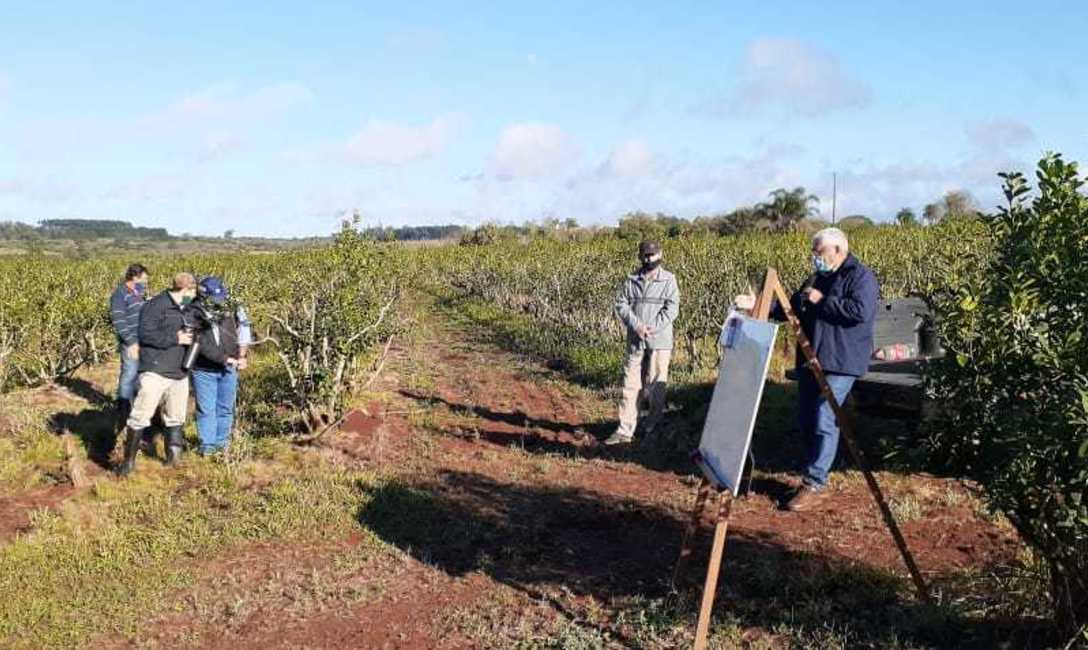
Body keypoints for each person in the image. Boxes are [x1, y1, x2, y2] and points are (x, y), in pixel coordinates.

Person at [736, 227, 878, 511]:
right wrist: (758, 305)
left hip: (840, 361)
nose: (815, 256)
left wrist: (822, 301)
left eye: (819, 251)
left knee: (825, 416)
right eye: (813, 251)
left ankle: (815, 483)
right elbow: (792, 308)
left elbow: (860, 312)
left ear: (838, 250)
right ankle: (817, 465)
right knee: (807, 418)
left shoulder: (861, 276)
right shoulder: (817, 277)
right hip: (811, 359)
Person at [119, 272, 198, 476]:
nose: (194, 295)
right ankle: (128, 464)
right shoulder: (155, 305)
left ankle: (174, 460)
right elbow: (145, 334)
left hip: (179, 371)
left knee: (176, 417)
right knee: (140, 416)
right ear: (184, 289)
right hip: (155, 371)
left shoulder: (188, 307)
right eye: (193, 291)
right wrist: (175, 338)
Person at [604, 240, 680, 445]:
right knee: (630, 385)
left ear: (660, 255)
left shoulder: (669, 280)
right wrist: (637, 326)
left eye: (652, 255)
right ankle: (625, 430)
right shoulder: (631, 279)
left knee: (656, 386)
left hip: (659, 341)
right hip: (636, 340)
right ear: (640, 256)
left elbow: (672, 308)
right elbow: (621, 304)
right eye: (645, 255)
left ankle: (652, 427)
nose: (649, 259)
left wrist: (652, 327)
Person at [188, 277, 249, 456]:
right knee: (206, 410)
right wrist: (226, 359)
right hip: (203, 369)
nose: (218, 302)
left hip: (229, 369)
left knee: (225, 408)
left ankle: (222, 446)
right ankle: (208, 448)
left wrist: (242, 356)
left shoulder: (232, 307)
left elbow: (244, 330)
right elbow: (201, 345)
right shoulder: (192, 312)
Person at [108, 263, 149, 433]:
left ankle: (136, 411)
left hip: (143, 340)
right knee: (129, 375)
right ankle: (123, 413)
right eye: (144, 278)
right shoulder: (120, 294)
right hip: (131, 342)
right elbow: (119, 321)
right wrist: (131, 342)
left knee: (140, 377)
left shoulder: (138, 292)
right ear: (135, 277)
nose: (146, 281)